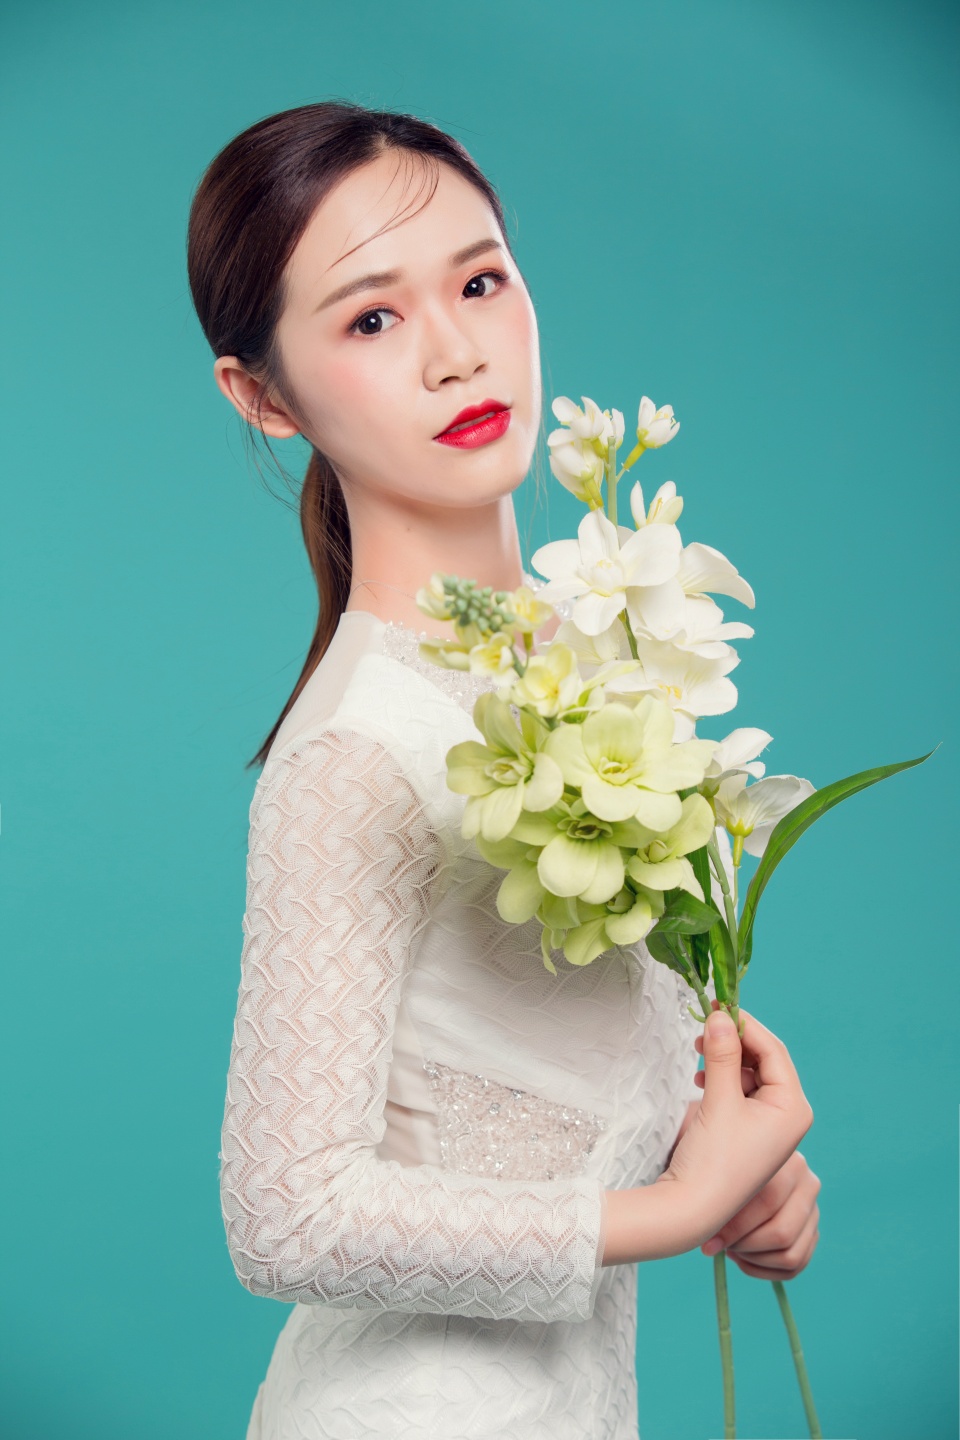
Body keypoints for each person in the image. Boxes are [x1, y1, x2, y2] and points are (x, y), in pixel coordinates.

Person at [187, 100, 821, 1440]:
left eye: (479, 282)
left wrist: (730, 1156)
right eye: (373, 318)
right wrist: (675, 1208)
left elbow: (535, 1080)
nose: (456, 353)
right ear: (264, 398)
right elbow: (284, 1215)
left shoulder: (588, 664)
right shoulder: (356, 750)